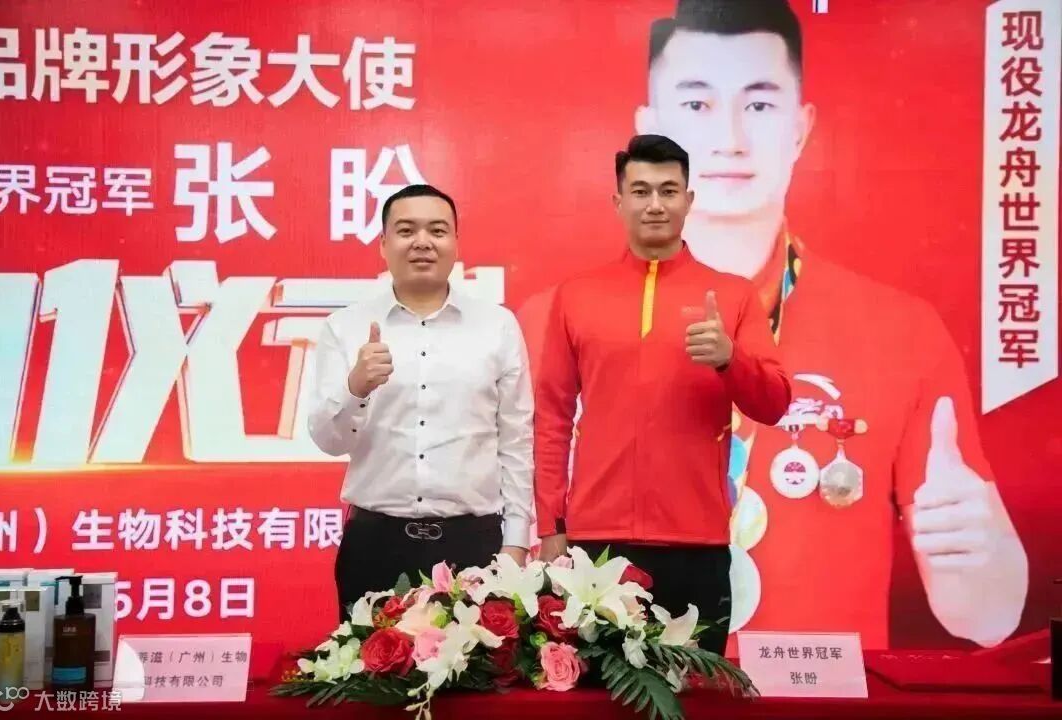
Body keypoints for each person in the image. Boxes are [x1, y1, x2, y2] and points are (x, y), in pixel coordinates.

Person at [521, 0, 1028, 651]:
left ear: (800, 127)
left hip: (812, 674)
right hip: (611, 578)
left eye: (759, 104)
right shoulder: (553, 311)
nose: (730, 137)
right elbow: (538, 447)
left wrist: (978, 558)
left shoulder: (903, 329)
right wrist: (549, 528)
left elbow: (986, 617)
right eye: (697, 103)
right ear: (650, 127)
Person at [534, 134, 791, 655]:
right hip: (597, 544)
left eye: (669, 191)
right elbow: (552, 418)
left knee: (694, 689)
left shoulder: (733, 295)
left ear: (688, 200)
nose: (655, 204)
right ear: (618, 201)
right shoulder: (577, 296)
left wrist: (730, 359)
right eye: (641, 191)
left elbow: (774, 403)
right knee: (599, 693)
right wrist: (551, 524)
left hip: (697, 541)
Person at [308, 184, 534, 621]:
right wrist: (355, 387)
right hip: (376, 543)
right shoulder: (345, 326)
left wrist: (517, 541)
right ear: (383, 244)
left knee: (478, 665)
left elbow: (516, 440)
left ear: (455, 243)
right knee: (369, 664)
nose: (422, 242)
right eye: (407, 230)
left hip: (475, 544)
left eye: (437, 230)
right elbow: (329, 441)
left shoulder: (497, 326)